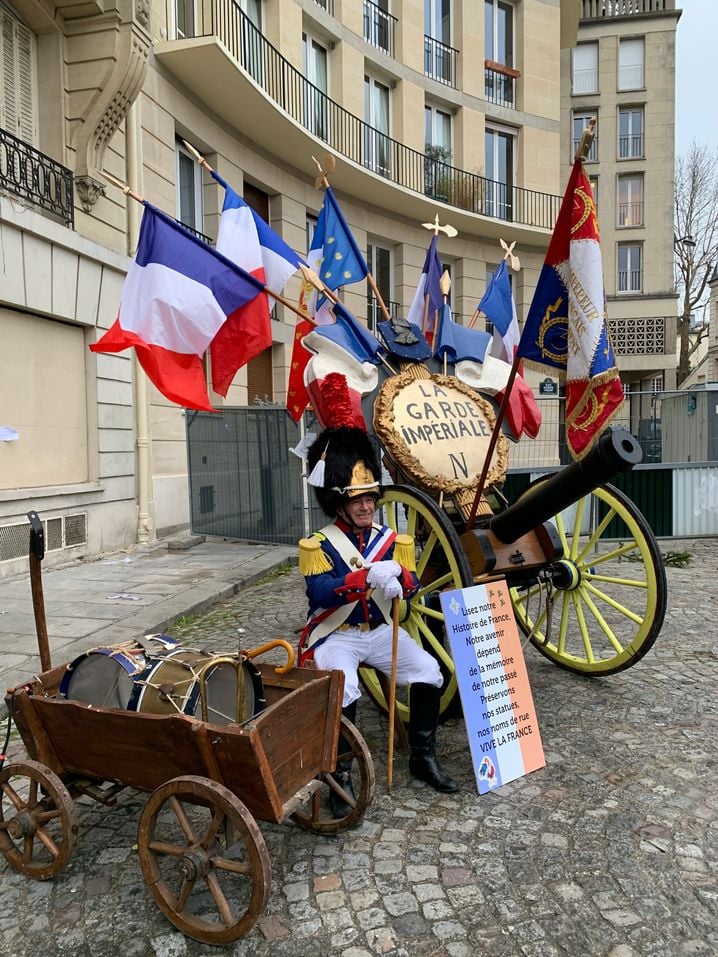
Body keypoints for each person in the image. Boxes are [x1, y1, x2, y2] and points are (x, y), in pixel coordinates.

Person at [298, 423, 458, 816]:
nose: (366, 506)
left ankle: (423, 758)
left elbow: (414, 586)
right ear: (339, 504)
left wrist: (402, 579)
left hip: (381, 632)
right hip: (338, 636)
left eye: (370, 497)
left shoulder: (392, 541)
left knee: (429, 671)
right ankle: (341, 773)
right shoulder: (318, 545)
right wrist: (362, 577)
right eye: (357, 500)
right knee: (345, 687)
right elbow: (318, 593)